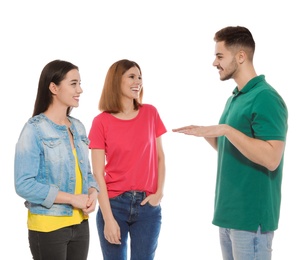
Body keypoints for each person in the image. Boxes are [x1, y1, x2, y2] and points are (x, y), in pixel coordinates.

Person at [173, 26, 288, 260]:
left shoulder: (266, 97)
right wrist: (208, 134)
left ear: (241, 56)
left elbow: (271, 158)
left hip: (250, 220)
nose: (214, 63)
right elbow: (232, 150)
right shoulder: (235, 97)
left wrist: (226, 130)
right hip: (228, 218)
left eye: (219, 56)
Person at [14, 59, 99, 260]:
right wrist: (71, 199)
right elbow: (23, 184)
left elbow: (86, 173)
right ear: (53, 87)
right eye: (73, 84)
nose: (80, 89)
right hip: (48, 226)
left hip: (80, 224)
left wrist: (93, 192)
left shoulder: (78, 127)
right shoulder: (33, 129)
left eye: (80, 83)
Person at [88, 59, 167, 260]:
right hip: (114, 205)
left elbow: (160, 157)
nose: (137, 81)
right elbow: (97, 173)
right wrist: (107, 218)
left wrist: (159, 193)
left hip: (147, 206)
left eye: (139, 77)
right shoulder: (101, 122)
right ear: (116, 81)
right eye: (131, 76)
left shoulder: (150, 113)